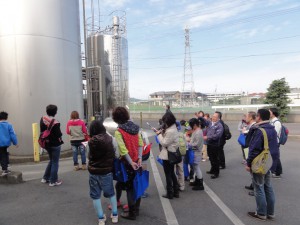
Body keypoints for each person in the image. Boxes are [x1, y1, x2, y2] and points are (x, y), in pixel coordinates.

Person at [245, 108, 278, 221]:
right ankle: (271, 213)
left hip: (259, 164)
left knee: (259, 187)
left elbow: (253, 149)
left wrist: (248, 163)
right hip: (269, 162)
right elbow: (275, 149)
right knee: (268, 187)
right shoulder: (272, 129)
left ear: (258, 116)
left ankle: (261, 213)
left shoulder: (259, 130)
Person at [112, 107, 143, 220]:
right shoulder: (135, 128)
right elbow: (140, 143)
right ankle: (137, 209)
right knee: (137, 185)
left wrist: (130, 162)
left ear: (115, 118)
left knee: (130, 188)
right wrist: (139, 158)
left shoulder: (119, 131)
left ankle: (132, 213)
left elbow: (123, 149)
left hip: (127, 163)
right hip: (137, 161)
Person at [88, 120, 118, 224]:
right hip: (107, 172)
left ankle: (101, 218)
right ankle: (115, 215)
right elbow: (116, 154)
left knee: (95, 196)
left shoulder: (90, 141)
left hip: (93, 172)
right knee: (111, 193)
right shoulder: (111, 139)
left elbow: (89, 156)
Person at [156, 112, 180, 199]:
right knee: (172, 173)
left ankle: (170, 193)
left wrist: (159, 135)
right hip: (172, 153)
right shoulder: (173, 128)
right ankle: (176, 191)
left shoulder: (170, 131)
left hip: (168, 154)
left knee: (168, 174)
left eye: (165, 122)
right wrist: (162, 133)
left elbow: (164, 143)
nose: (164, 124)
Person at [40, 104, 64, 187]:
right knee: (55, 162)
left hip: (46, 143)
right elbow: (58, 134)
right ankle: (53, 181)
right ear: (55, 112)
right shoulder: (55, 122)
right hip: (55, 145)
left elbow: (42, 130)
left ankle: (45, 178)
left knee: (51, 160)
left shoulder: (42, 119)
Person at [204, 112, 224, 179]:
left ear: (218, 118)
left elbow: (217, 136)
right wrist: (200, 117)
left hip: (214, 144)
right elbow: (204, 122)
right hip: (209, 143)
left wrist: (208, 137)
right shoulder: (210, 123)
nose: (213, 117)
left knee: (215, 159)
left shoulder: (219, 125)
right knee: (211, 157)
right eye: (213, 116)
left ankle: (216, 172)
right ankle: (212, 170)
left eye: (215, 117)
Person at [188, 118, 204, 190]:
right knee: (195, 167)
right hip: (195, 151)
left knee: (196, 167)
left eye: (191, 125)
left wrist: (189, 144)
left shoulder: (198, 132)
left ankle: (200, 184)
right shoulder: (197, 131)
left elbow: (196, 144)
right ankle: (197, 181)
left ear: (194, 125)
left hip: (196, 152)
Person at [242, 111, 257, 195]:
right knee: (251, 169)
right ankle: (253, 185)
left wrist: (245, 132)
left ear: (251, 118)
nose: (245, 118)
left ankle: (256, 189)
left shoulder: (254, 126)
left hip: (251, 150)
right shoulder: (251, 126)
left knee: (252, 168)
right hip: (248, 149)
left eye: (247, 116)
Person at [269, 108, 282, 178]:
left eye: (269, 112)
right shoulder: (272, 121)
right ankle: (276, 171)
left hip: (275, 142)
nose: (269, 113)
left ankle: (278, 172)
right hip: (272, 142)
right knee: (274, 156)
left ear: (273, 113)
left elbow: (275, 133)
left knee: (275, 157)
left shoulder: (276, 122)